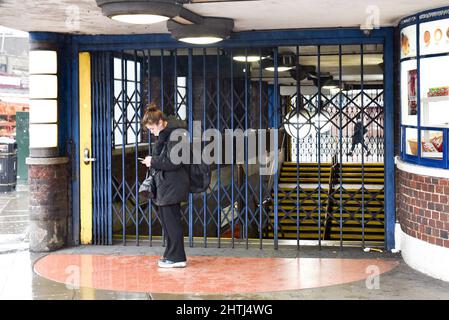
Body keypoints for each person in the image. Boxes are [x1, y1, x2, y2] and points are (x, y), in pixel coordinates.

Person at [141, 103, 190, 268]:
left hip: (172, 185)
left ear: (161, 121)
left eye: (152, 128)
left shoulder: (174, 135)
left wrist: (152, 161)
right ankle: (171, 255)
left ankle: (177, 257)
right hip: (166, 185)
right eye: (149, 129)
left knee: (172, 222)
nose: (151, 132)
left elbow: (173, 162)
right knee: (168, 222)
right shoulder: (165, 134)